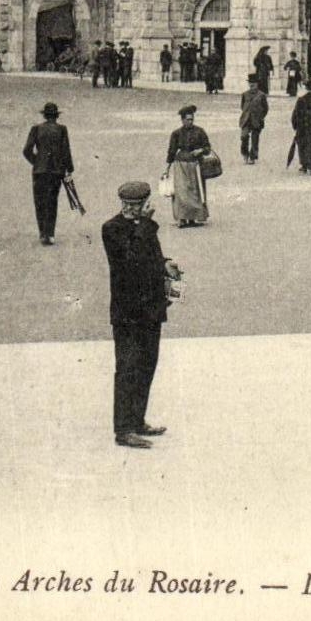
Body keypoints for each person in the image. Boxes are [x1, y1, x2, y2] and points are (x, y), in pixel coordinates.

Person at [102, 181, 182, 449]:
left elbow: (150, 255)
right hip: (127, 313)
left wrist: (165, 264)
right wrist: (145, 225)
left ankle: (137, 420)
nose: (131, 210)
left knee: (147, 365)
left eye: (136, 205)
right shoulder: (111, 229)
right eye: (128, 205)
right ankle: (123, 429)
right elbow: (129, 260)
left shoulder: (144, 228)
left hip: (150, 310)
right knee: (127, 368)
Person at [22, 102, 74, 245]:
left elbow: (26, 150)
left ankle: (42, 233)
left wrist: (37, 162)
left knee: (39, 201)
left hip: (39, 171)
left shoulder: (36, 129)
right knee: (52, 201)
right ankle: (50, 234)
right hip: (56, 171)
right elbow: (66, 151)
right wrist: (69, 169)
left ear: (44, 116)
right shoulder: (62, 129)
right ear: (56, 116)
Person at [164, 105, 213, 228]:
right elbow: (172, 151)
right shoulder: (176, 133)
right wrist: (168, 166)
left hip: (195, 165)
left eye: (192, 119)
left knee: (195, 192)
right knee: (181, 192)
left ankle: (194, 218)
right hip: (180, 165)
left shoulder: (200, 131)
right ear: (182, 120)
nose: (190, 122)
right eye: (187, 119)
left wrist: (200, 150)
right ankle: (182, 218)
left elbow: (208, 148)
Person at [238, 74, 268, 165]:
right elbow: (242, 106)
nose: (252, 85)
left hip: (257, 120)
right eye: (250, 83)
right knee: (244, 136)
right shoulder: (245, 94)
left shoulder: (261, 95)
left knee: (255, 139)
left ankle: (252, 157)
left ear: (257, 84)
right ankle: (245, 154)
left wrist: (260, 117)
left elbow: (265, 108)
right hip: (246, 120)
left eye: (254, 83)